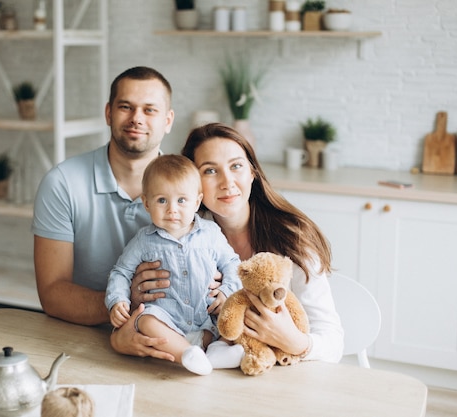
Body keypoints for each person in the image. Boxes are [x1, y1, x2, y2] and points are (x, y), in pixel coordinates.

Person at [133, 122, 344, 362]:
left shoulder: (291, 239)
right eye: (210, 171)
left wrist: (292, 341)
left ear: (252, 172)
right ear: (192, 181)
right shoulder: (176, 236)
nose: (227, 182)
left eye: (236, 166)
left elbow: (334, 343)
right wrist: (137, 300)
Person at [32, 66, 176, 361]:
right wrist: (122, 303)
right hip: (80, 339)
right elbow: (52, 293)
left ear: (168, 120)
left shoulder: (191, 186)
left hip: (171, 338)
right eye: (126, 107)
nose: (137, 118)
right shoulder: (62, 183)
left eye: (150, 110)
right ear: (109, 113)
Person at [105, 154, 243, 375]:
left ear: (197, 202)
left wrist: (227, 290)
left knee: (234, 314)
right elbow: (121, 272)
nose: (172, 210)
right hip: (166, 321)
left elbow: (233, 264)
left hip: (205, 318)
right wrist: (117, 300)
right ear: (146, 203)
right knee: (144, 319)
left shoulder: (211, 233)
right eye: (162, 200)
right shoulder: (143, 240)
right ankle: (187, 354)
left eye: (181, 200)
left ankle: (217, 350)